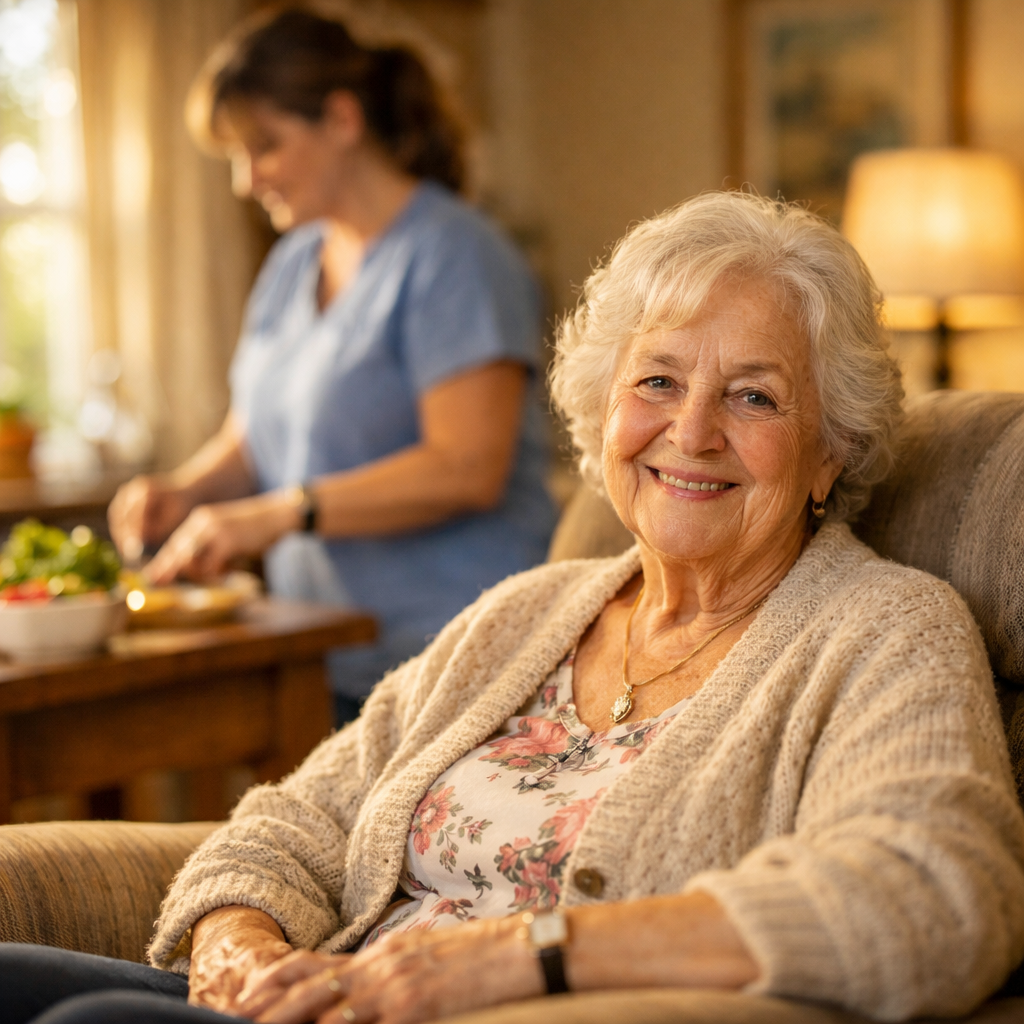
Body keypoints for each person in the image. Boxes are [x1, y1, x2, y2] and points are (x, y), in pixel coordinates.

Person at [7, 190, 1024, 1024]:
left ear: (829, 452)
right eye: (657, 380)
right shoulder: (523, 613)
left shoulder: (886, 629)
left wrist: (522, 956)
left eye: (754, 397)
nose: (692, 431)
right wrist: (240, 951)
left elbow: (933, 896)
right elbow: (293, 820)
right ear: (604, 411)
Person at [106, 5, 557, 724]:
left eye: (265, 146)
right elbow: (257, 438)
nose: (245, 180)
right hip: (330, 655)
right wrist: (185, 492)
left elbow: (468, 466)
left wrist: (282, 514)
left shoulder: (456, 256)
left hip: (458, 659)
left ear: (342, 121)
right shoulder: (292, 264)